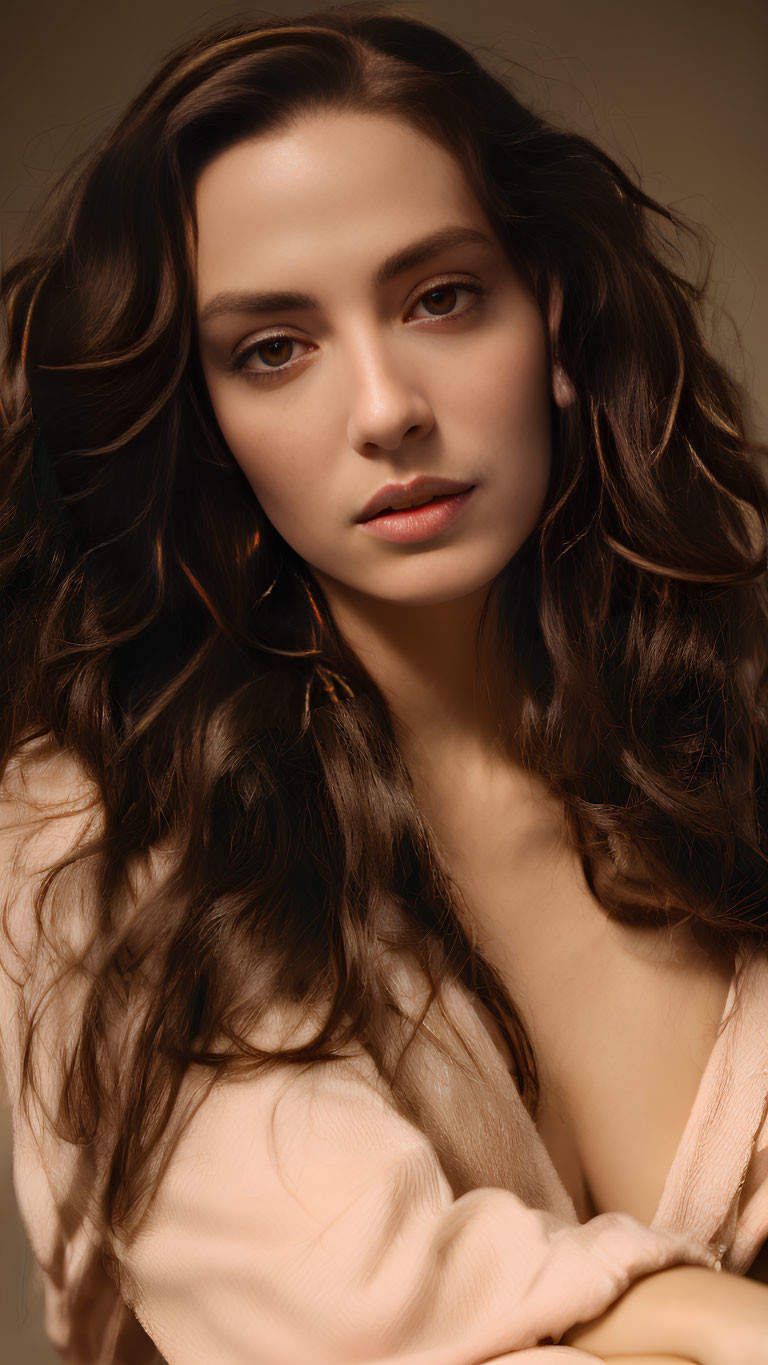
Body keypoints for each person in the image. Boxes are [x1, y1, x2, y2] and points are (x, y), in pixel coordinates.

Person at [1, 3, 767, 1361]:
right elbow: (342, 1328)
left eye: (440, 297)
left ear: (558, 318)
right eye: (273, 348)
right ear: (203, 421)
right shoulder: (99, 825)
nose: (385, 408)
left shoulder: (734, 716)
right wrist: (717, 1313)